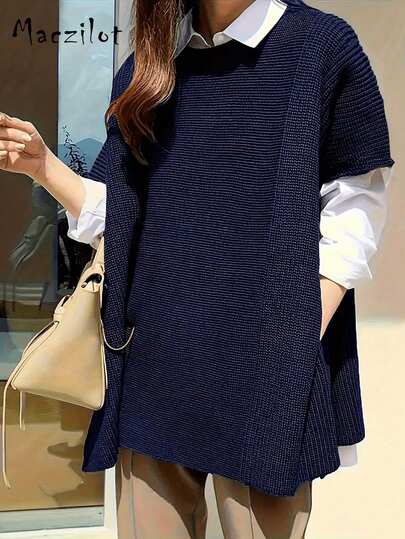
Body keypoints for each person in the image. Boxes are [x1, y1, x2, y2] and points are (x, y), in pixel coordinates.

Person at [0, 0, 395, 537]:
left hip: (262, 377)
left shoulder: (320, 48)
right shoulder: (154, 62)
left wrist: (294, 341)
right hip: (152, 370)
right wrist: (44, 166)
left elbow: (355, 214)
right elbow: (123, 217)